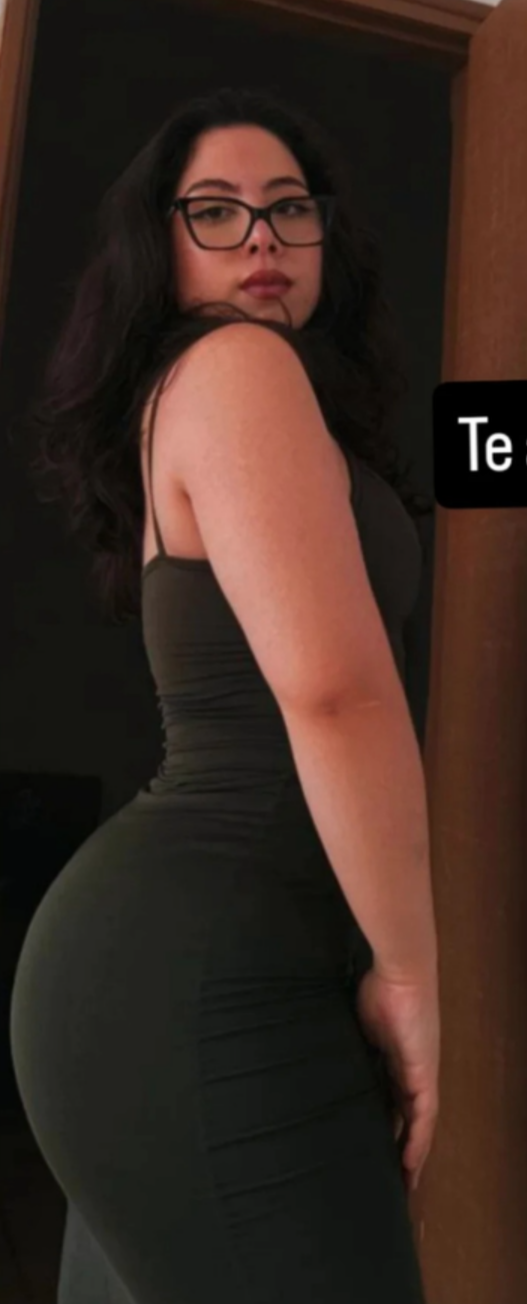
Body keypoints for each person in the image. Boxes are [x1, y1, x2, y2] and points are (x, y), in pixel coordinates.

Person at [9, 86, 440, 1304]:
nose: (261, 236)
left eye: (288, 208)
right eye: (215, 209)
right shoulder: (238, 365)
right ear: (159, 242)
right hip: (203, 970)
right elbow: (336, 695)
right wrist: (410, 974)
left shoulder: (231, 391)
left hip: (179, 968)